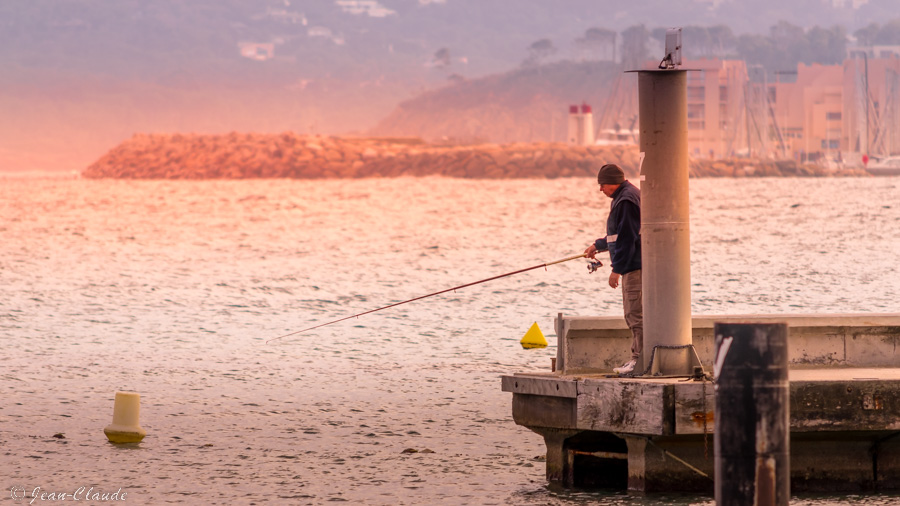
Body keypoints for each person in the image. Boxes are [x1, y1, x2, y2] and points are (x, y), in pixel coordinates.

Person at [583, 163, 643, 375]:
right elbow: (617, 234)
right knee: (634, 313)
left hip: (634, 266)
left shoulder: (626, 201)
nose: (601, 189)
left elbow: (628, 239)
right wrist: (598, 245)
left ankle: (639, 360)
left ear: (613, 182)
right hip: (633, 264)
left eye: (603, 185)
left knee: (635, 314)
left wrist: (616, 269)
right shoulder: (625, 196)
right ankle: (638, 358)